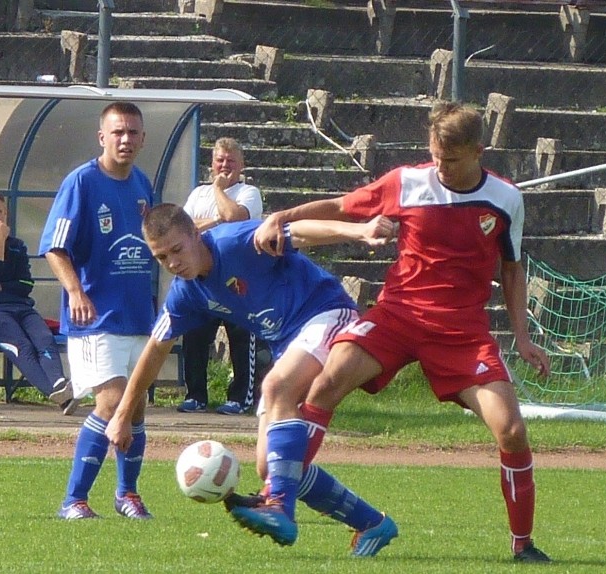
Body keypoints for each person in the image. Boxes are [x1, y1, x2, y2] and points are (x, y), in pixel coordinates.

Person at [247, 101, 553, 563]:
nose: (441, 168)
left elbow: (512, 269)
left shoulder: (506, 199)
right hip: (398, 315)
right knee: (327, 381)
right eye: (434, 156)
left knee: (510, 430)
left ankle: (523, 545)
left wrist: (522, 337)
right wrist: (282, 216)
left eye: (450, 160)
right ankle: (277, 500)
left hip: (461, 332)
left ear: (478, 151)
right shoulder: (406, 182)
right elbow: (342, 206)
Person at [105, 203, 399, 557]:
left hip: (325, 312)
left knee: (276, 388)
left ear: (196, 234)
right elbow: (155, 348)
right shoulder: (186, 293)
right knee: (274, 465)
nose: (172, 263)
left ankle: (279, 508)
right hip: (287, 342)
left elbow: (299, 232)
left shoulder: (237, 241)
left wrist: (360, 230)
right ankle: (371, 523)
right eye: (161, 257)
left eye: (177, 250)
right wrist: (123, 413)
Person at [39, 101, 155, 521]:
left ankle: (127, 495)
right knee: (111, 401)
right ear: (102, 137)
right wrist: (74, 291)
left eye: (133, 133)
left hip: (138, 315)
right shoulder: (82, 183)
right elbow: (55, 246)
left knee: (136, 406)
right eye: (118, 132)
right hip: (95, 319)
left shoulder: (142, 184)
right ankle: (74, 500)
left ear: (143, 138)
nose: (126, 139)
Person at [0, 189, 75, 414]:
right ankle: (62, 397)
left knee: (44, 339)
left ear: (6, 213)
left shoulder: (17, 246)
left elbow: (26, 285)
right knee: (21, 347)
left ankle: (59, 384)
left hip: (22, 306)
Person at [179, 137, 265, 415]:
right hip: (202, 279)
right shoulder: (197, 194)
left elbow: (235, 216)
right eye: (220, 160)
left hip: (238, 278)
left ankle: (239, 399)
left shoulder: (249, 192)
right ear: (212, 163)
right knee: (194, 338)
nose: (224, 165)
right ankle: (196, 395)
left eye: (230, 161)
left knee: (240, 338)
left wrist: (218, 190)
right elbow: (185, 230)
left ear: (241, 165)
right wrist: (216, 220)